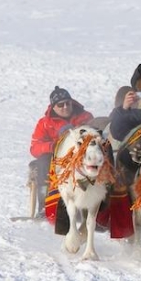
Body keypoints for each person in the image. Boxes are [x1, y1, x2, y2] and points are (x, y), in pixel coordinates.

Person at [28, 86, 94, 216]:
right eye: (60, 105)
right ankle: (45, 206)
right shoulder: (45, 123)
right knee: (43, 163)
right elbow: (35, 147)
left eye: (67, 103)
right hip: (56, 158)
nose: (65, 107)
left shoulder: (85, 117)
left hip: (80, 155)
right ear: (53, 107)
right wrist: (53, 146)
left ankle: (90, 206)